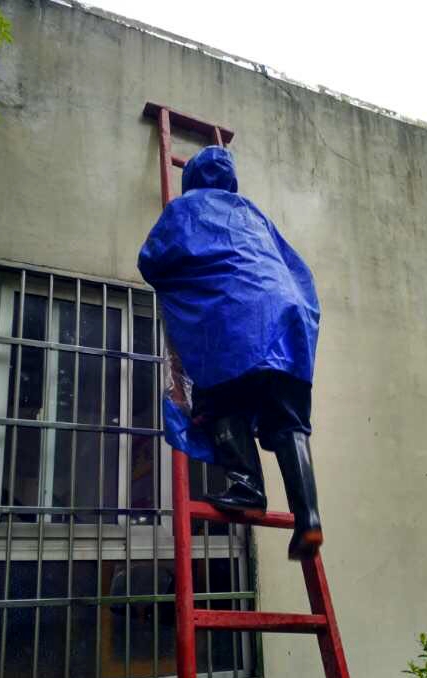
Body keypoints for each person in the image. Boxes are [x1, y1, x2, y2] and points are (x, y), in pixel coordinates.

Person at [138, 146, 322, 559]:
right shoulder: (253, 213)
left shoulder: (186, 208)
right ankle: (309, 518)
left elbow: (151, 262)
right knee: (286, 420)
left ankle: (248, 487)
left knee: (217, 402)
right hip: (288, 325)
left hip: (239, 324)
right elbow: (294, 266)